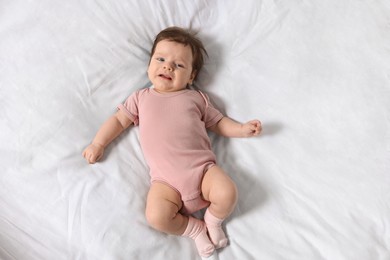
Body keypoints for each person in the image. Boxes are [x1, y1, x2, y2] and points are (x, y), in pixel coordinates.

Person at [82, 26, 262, 257]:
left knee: (227, 193)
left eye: (179, 65)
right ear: (149, 64)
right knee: (156, 216)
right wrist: (98, 143)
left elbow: (218, 123)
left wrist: (241, 129)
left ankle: (213, 221)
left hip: (202, 170)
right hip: (166, 183)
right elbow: (118, 121)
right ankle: (195, 230)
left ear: (191, 76)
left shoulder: (196, 98)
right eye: (161, 59)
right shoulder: (140, 98)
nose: (168, 66)